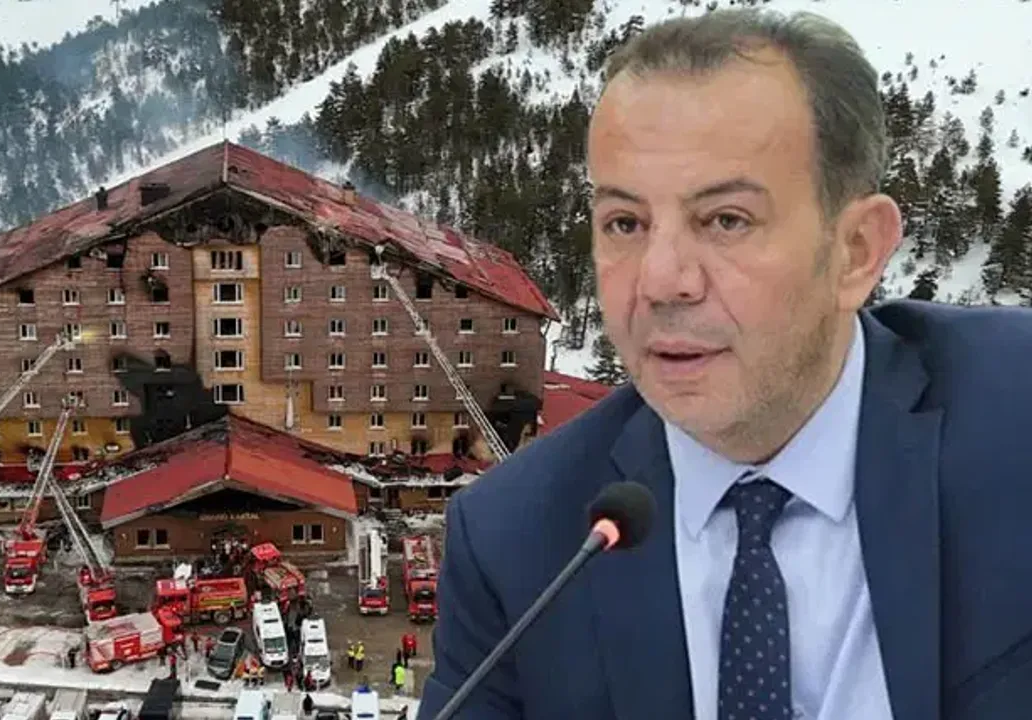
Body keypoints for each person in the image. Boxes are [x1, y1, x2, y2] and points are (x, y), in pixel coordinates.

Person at [419, 7, 1032, 720]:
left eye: (725, 220)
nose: (660, 281)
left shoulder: (1015, 420)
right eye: (625, 223)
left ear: (856, 251)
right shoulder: (518, 541)